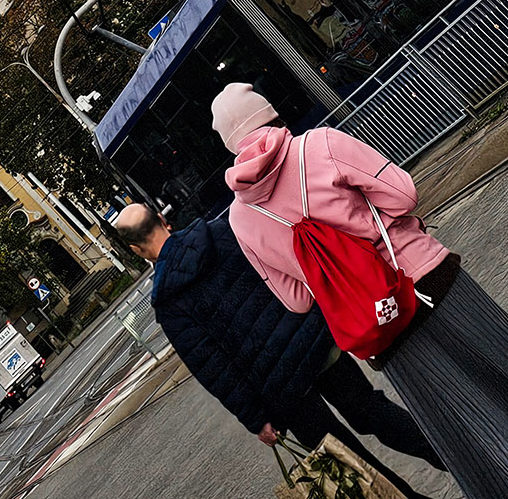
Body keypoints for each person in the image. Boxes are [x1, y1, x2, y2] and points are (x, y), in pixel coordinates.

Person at [211, 81, 508, 499]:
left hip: (379, 329)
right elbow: (403, 195)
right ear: (271, 115)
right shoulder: (320, 145)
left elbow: (296, 299)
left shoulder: (240, 219)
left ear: (231, 145)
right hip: (428, 280)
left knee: (475, 424)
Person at [114, 202, 446, 499]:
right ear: (163, 220)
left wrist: (255, 418)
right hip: (314, 343)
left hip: (278, 389)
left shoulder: (167, 302)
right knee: (370, 409)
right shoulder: (221, 231)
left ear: (135, 249)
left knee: (341, 455)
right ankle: (452, 454)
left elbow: (212, 367)